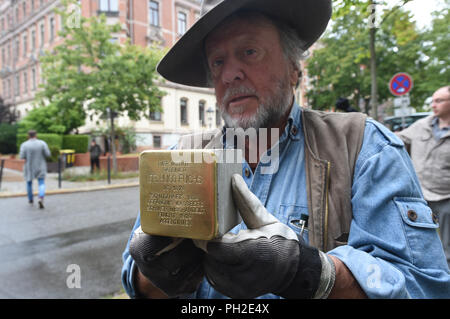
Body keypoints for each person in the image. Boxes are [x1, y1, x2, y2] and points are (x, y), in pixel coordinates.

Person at [122, 0, 450, 299]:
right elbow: (138, 285)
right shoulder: (183, 156)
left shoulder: (363, 146)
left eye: (249, 52)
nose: (230, 73)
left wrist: (312, 274)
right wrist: (155, 270)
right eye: (218, 62)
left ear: (294, 68)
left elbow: (423, 286)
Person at [397, 86, 450, 267]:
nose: (433, 104)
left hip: (446, 197)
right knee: (419, 243)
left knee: (447, 247)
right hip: (420, 196)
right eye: (433, 100)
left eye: (439, 101)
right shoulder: (422, 125)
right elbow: (396, 139)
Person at [19, 130, 51, 209]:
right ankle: (41, 197)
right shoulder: (42, 143)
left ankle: (30, 199)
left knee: (29, 183)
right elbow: (48, 154)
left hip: (29, 167)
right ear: (36, 135)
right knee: (41, 182)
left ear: (28, 136)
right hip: (41, 166)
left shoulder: (24, 145)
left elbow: (21, 156)